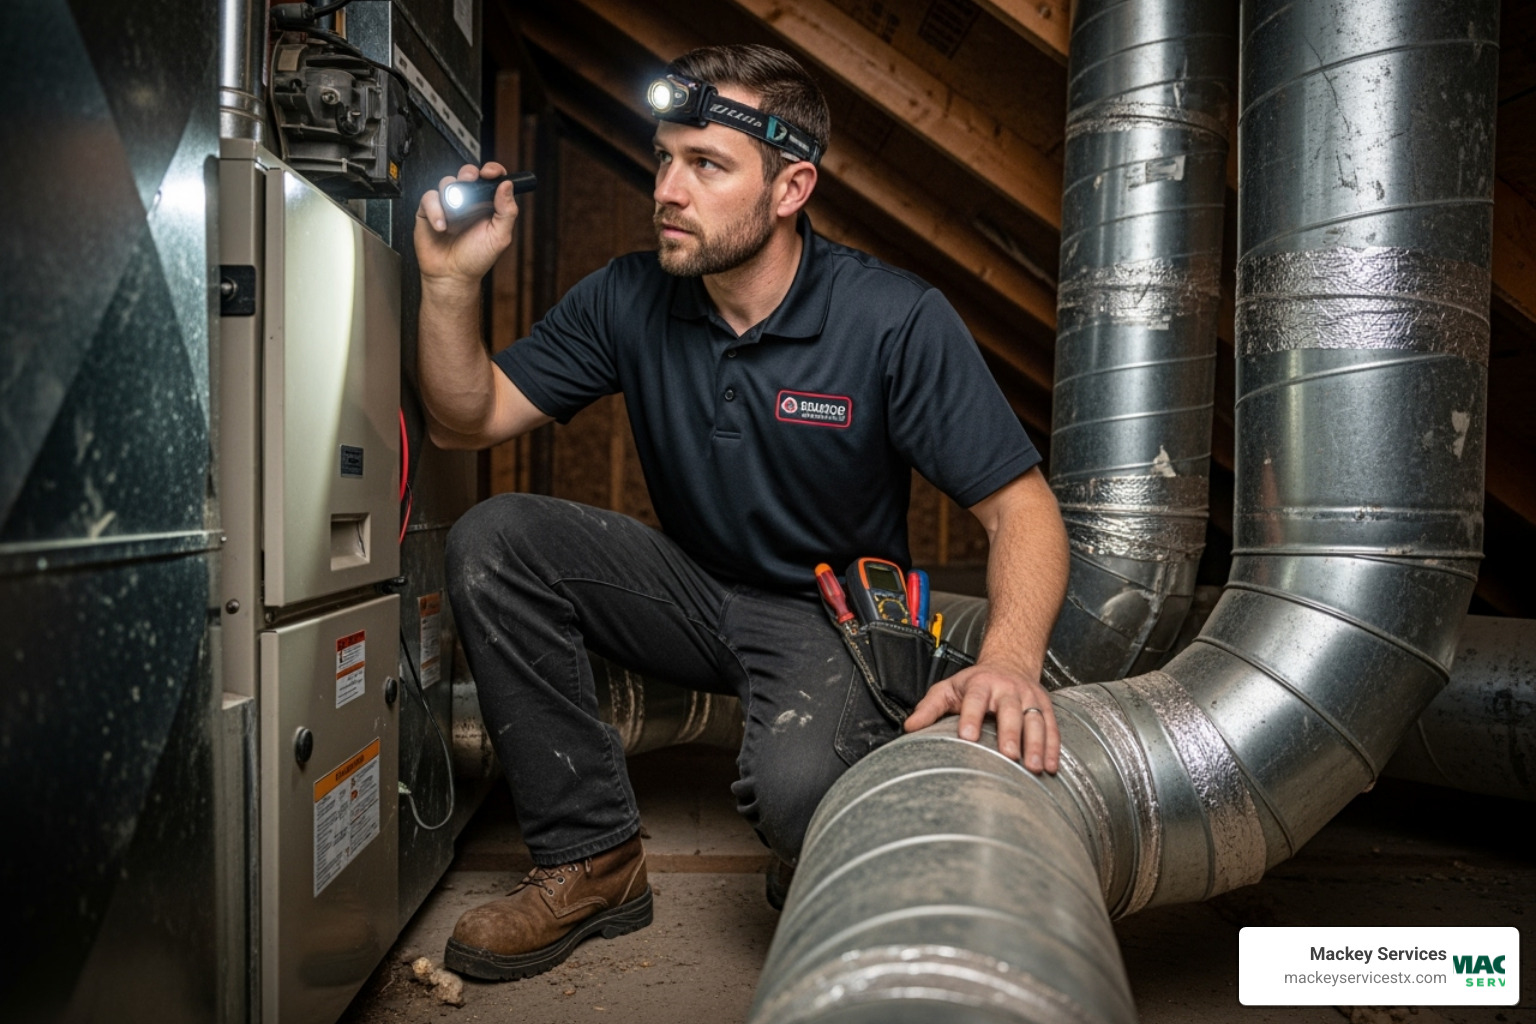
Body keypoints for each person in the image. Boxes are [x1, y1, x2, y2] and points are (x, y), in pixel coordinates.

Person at [413, 43, 1069, 982]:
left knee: (804, 806)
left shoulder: (890, 317)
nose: (669, 191)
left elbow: (1022, 510)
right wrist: (449, 283)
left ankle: (817, 840)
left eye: (707, 165)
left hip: (825, 612)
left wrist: (1009, 662)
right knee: (495, 539)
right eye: (664, 159)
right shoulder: (629, 297)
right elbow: (464, 416)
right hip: (688, 587)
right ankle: (592, 860)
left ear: (791, 186)